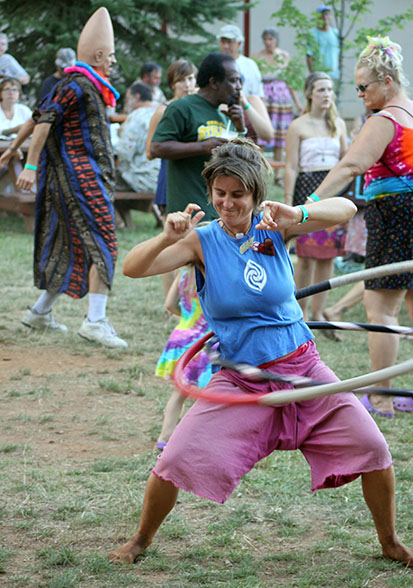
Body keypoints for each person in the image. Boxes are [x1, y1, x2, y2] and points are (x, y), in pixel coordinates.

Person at [108, 138, 413, 568]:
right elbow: (133, 268)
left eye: (237, 195)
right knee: (175, 457)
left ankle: (390, 541)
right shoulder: (202, 241)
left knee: (373, 447)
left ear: (255, 194)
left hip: (303, 368)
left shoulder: (276, 225)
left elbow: (346, 208)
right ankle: (140, 539)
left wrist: (299, 213)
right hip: (241, 376)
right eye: (220, 194)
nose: (227, 204)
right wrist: (163, 237)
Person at [299, 36, 413, 417]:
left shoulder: (384, 120)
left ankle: (383, 396)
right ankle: (399, 392)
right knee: (410, 304)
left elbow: (350, 166)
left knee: (380, 307)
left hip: (395, 214)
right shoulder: (412, 114)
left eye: (364, 87)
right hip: (408, 211)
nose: (361, 94)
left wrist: (308, 206)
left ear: (387, 83)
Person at [3, 7, 127, 348]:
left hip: (79, 179)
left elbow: (39, 114)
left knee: (67, 243)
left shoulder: (83, 85)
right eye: (111, 56)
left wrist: (13, 146)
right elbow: (44, 122)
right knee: (105, 244)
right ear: (100, 55)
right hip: (80, 179)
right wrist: (28, 165)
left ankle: (39, 313)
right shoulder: (78, 84)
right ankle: (96, 321)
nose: (114, 61)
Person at [149, 52, 247, 221]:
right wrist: (203, 146)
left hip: (219, 212)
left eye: (240, 81)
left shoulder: (224, 115)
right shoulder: (182, 108)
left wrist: (240, 127)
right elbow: (156, 147)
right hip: (188, 212)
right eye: (233, 80)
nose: (238, 87)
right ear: (214, 82)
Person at [284, 72, 347, 330]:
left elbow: (345, 161)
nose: (326, 95)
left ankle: (319, 311)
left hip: (332, 191)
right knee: (307, 255)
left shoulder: (338, 124)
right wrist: (289, 200)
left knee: (327, 255)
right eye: (321, 90)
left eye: (330, 90)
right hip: (307, 190)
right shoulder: (298, 125)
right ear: (310, 93)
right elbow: (290, 166)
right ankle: (301, 311)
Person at [146, 59, 198, 298]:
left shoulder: (200, 107)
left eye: (190, 79)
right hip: (171, 177)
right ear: (172, 85)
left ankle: (190, 296)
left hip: (196, 177)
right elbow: (150, 151)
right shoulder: (163, 110)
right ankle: (170, 297)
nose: (187, 85)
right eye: (181, 80)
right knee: (172, 238)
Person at [155, 262, 212, 450]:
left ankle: (165, 436)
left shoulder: (183, 273)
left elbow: (170, 304)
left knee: (179, 394)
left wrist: (186, 318)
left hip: (181, 337)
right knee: (207, 396)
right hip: (204, 341)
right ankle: (197, 438)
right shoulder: (214, 275)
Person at [253, 27, 302, 182]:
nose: (268, 43)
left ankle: (278, 175)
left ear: (276, 41)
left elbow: (290, 81)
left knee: (281, 136)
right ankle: (257, 172)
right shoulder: (257, 57)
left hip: (282, 99)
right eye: (265, 39)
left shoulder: (284, 56)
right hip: (264, 99)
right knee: (262, 134)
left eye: (271, 39)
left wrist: (298, 103)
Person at [114, 81, 160, 229]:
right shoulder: (160, 113)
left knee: (101, 178)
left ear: (137, 97)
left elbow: (124, 153)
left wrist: (117, 137)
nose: (127, 103)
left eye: (128, 99)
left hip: (142, 177)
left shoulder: (136, 117)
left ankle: (119, 224)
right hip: (161, 178)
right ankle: (128, 223)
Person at [218, 25, 264, 98]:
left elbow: (259, 95)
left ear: (239, 43)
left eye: (229, 42)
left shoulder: (249, 65)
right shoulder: (215, 64)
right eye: (223, 42)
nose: (225, 46)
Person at [306, 6, 339, 84]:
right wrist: (313, 74)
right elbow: (309, 56)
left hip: (334, 75)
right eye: (322, 14)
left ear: (330, 16)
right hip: (319, 75)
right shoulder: (312, 34)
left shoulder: (335, 33)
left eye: (327, 14)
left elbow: (339, 53)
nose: (324, 17)